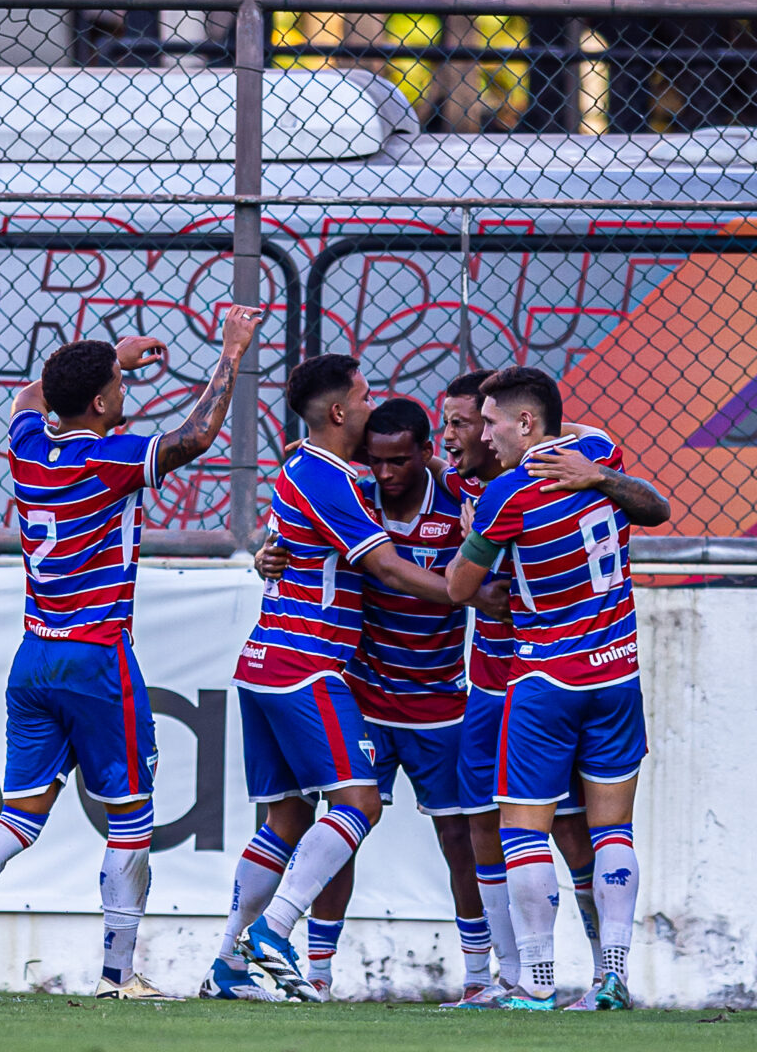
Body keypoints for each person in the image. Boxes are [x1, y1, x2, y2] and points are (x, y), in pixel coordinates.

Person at [0, 305, 264, 999]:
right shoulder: (110, 457)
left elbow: (29, 396)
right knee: (131, 817)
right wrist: (232, 353)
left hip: (34, 655)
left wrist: (110, 359)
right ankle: (118, 980)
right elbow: (196, 435)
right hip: (98, 657)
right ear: (100, 402)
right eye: (117, 389)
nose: (124, 395)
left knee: (19, 814)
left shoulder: (28, 447)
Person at [200, 354, 500, 1003]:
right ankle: (281, 938)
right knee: (357, 806)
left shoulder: (359, 479)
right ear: (340, 412)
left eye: (404, 458)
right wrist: (469, 592)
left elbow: (296, 537)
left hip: (338, 674)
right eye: (363, 395)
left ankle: (226, 965)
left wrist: (272, 550)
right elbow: (387, 569)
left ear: (424, 452)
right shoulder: (336, 480)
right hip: (314, 667)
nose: (372, 403)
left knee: (286, 819)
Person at [441, 369, 669, 1010]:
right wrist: (596, 475)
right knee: (612, 831)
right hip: (618, 672)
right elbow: (654, 506)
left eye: (490, 421)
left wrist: (469, 536)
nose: (484, 434)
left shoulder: (506, 495)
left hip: (545, 679)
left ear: (526, 424)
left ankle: (536, 982)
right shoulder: (598, 454)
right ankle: (614, 979)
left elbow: (461, 589)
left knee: (522, 828)